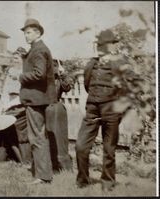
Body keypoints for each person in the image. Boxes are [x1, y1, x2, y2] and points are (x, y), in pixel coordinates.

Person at [75, 29, 129, 191]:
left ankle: (107, 182)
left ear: (112, 47)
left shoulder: (120, 64)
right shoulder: (91, 63)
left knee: (109, 148)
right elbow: (86, 84)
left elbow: (126, 89)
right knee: (81, 146)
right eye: (98, 44)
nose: (99, 47)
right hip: (92, 108)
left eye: (103, 45)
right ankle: (83, 181)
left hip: (111, 109)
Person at [19, 18, 57, 184]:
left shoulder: (39, 50)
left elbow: (39, 74)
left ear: (38, 32)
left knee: (37, 137)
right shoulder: (37, 49)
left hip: (35, 99)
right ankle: (40, 171)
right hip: (37, 98)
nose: (26, 36)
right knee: (38, 135)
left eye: (29, 32)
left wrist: (20, 76)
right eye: (25, 33)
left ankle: (42, 176)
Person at [46, 59, 74, 172]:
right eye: (54, 66)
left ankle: (61, 165)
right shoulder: (45, 78)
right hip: (46, 109)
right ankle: (47, 164)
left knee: (59, 138)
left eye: (57, 67)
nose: (56, 69)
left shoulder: (60, 79)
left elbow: (67, 87)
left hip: (57, 110)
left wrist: (63, 74)